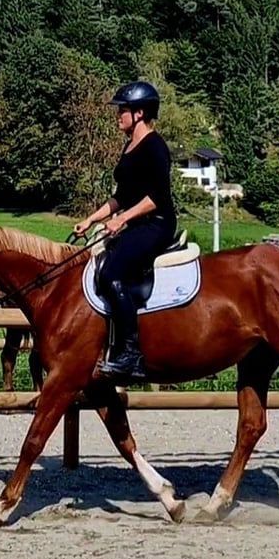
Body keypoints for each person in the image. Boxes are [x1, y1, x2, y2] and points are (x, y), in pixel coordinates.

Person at [73, 81, 177, 382]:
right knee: (99, 265)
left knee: (110, 274)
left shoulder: (155, 147)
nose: (118, 114)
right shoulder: (130, 145)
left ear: (140, 113)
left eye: (123, 109)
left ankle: (131, 354)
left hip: (156, 223)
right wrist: (91, 220)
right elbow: (122, 195)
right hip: (135, 222)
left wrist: (121, 220)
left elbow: (156, 197)